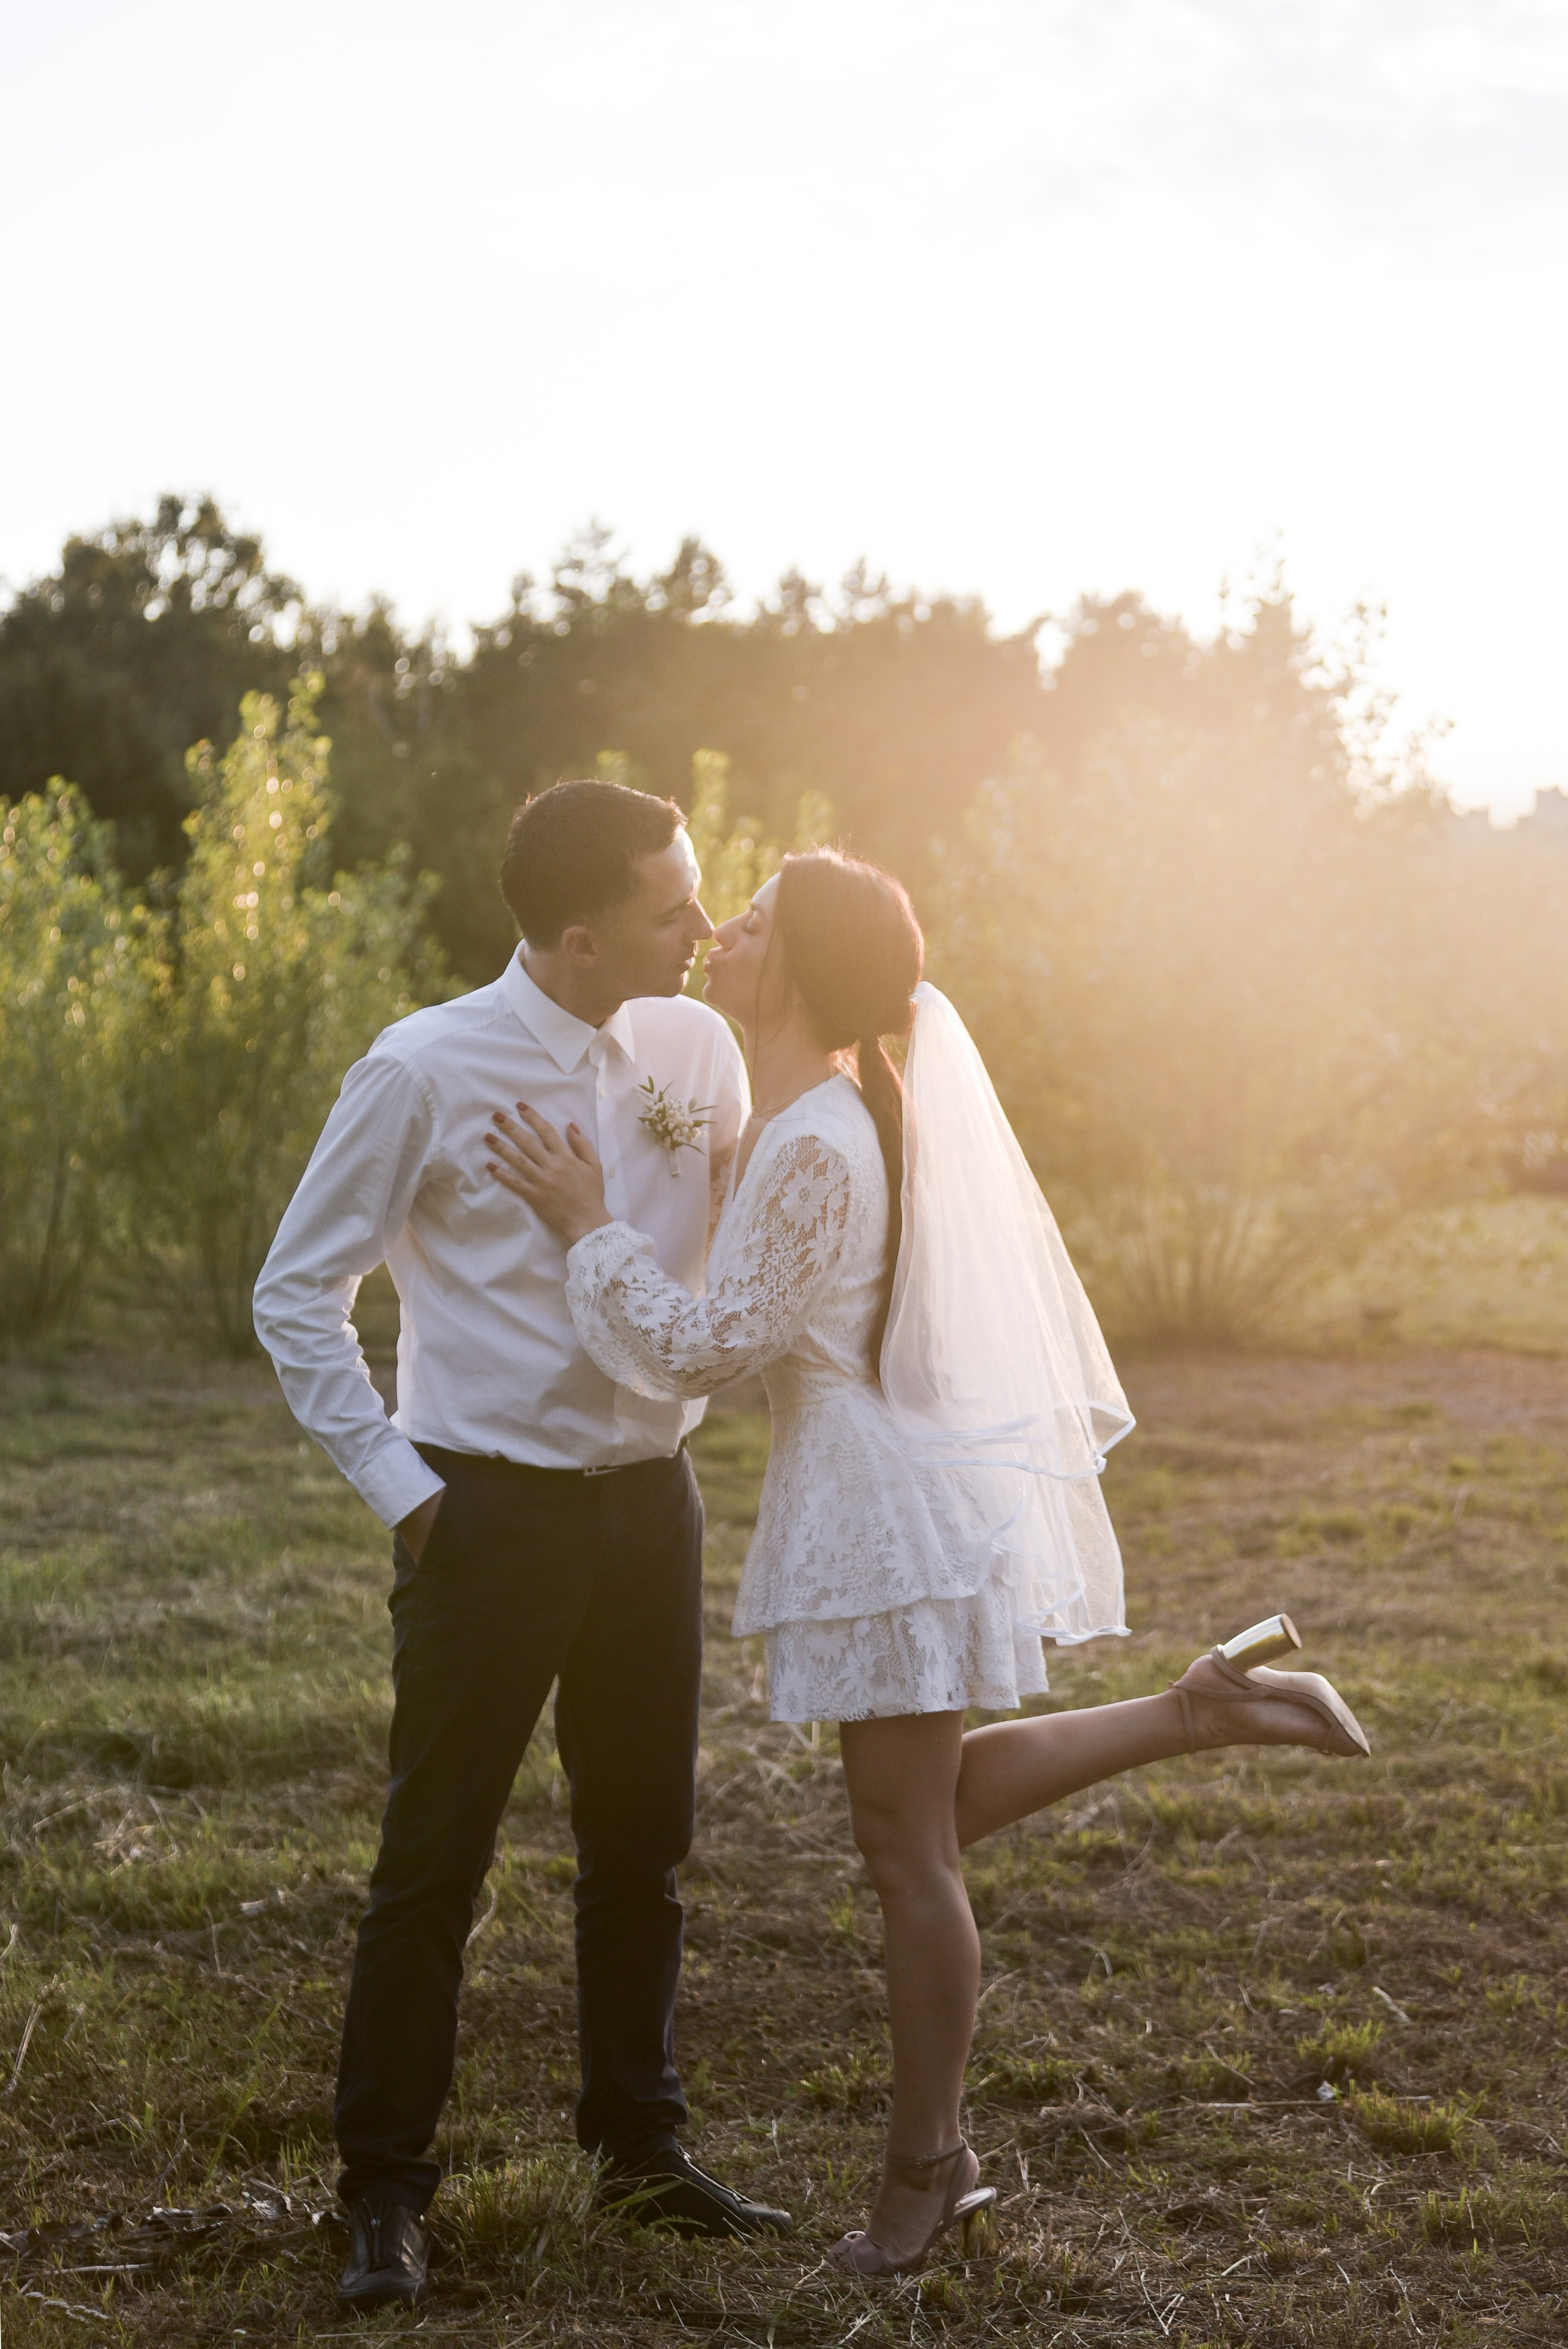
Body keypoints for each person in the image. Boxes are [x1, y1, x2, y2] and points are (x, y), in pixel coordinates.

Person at [483, 845, 1370, 2279]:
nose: (722, 933)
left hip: (874, 1517)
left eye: (751, 918)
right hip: (878, 1496)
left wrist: (585, 1223)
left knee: (909, 1855)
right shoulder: (813, 1121)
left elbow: (709, 1346)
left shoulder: (818, 1135)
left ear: (796, 968)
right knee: (920, 1816)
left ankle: (927, 2170)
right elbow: (754, 1316)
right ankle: (1196, 1707)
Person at [252, 780, 794, 2315]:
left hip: (651, 1506)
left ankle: (639, 2146)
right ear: (578, 937)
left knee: (642, 1849)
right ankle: (383, 2190)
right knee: (434, 1860)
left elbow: (729, 1233)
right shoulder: (422, 1067)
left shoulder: (694, 1047)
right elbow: (298, 1291)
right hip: (481, 1511)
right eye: (670, 908)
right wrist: (404, 1488)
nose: (701, 927)